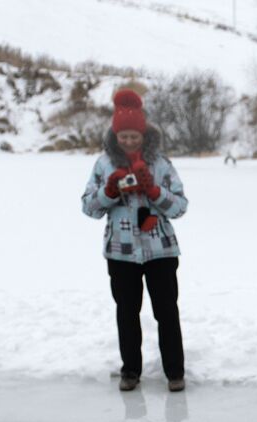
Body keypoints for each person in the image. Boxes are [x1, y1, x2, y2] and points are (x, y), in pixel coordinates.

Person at [81, 88, 190, 393]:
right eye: (123, 136)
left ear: (144, 135)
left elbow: (181, 207)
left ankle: (175, 372)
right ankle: (131, 371)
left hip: (161, 252)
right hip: (121, 254)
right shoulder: (104, 165)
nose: (129, 141)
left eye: (134, 136)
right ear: (115, 136)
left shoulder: (162, 164)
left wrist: (154, 192)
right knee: (127, 314)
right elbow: (89, 207)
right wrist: (110, 192)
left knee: (167, 312)